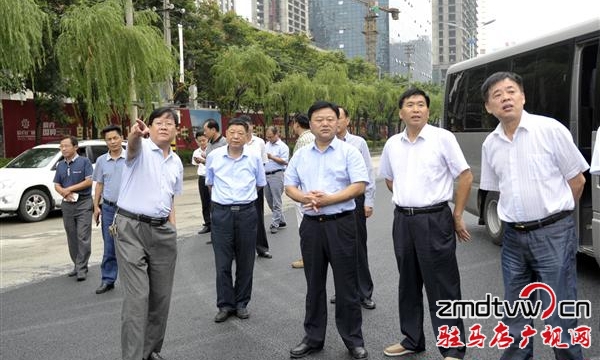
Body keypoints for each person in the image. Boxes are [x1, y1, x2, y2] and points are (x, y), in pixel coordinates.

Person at [479, 71, 588, 360]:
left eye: (511, 91)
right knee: (515, 311)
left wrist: (556, 216)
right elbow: (499, 189)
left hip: (553, 233)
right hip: (513, 237)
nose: (505, 98)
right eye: (497, 95)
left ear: (523, 96)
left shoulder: (549, 129)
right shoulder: (491, 143)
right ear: (489, 107)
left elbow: (577, 180)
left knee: (559, 313)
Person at [379, 88, 472, 360]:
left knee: (442, 285)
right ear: (401, 112)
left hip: (435, 219)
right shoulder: (392, 144)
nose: (416, 109)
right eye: (410, 104)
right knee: (407, 283)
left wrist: (457, 216)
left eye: (421, 104)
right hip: (403, 221)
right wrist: (407, 197)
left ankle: (453, 348)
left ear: (428, 111)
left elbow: (465, 176)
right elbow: (388, 178)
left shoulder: (442, 138)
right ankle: (412, 340)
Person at [285, 101, 369, 360]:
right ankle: (313, 338)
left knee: (347, 285)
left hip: (341, 224)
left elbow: (359, 186)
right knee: (314, 285)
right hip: (311, 227)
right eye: (319, 119)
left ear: (339, 122)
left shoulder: (349, 152)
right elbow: (290, 186)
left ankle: (353, 340)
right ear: (310, 124)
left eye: (330, 119)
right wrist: (305, 197)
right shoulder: (300, 154)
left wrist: (329, 199)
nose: (325, 123)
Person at [114, 107, 183, 360]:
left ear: (177, 130)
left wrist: (172, 228)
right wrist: (134, 135)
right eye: (158, 122)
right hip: (131, 228)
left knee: (161, 298)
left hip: (163, 231)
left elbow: (170, 198)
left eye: (169, 123)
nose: (164, 126)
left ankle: (150, 350)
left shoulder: (175, 161)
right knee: (137, 299)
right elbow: (131, 149)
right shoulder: (140, 150)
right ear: (150, 128)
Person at [205, 118, 267, 323]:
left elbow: (259, 184)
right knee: (222, 261)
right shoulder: (213, 156)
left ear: (247, 136)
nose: (235, 136)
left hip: (247, 213)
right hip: (221, 213)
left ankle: (241, 303)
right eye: (232, 132)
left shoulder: (254, 157)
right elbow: (210, 183)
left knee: (245, 260)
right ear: (226, 133)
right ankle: (225, 304)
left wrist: (242, 200)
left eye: (240, 133)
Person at [330, 106, 376, 310]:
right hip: (331, 203)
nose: (334, 122)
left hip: (355, 201)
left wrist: (369, 201)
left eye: (338, 118)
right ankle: (343, 291)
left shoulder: (359, 143)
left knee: (358, 248)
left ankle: (364, 292)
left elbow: (368, 173)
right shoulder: (324, 144)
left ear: (347, 120)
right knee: (336, 250)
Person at [53, 135, 93, 282]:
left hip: (83, 203)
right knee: (72, 236)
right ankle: (77, 264)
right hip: (67, 204)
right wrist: (62, 191)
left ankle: (82, 268)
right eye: (61, 146)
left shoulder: (84, 162)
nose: (63, 149)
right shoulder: (61, 165)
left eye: (66, 146)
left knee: (83, 236)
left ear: (75, 147)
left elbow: (89, 181)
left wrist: (69, 189)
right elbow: (56, 184)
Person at [92, 125, 125, 294]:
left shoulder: (132, 157)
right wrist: (96, 206)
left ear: (122, 138)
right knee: (109, 245)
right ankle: (108, 279)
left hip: (129, 210)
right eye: (109, 139)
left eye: (115, 138)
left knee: (131, 246)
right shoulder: (101, 161)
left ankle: (133, 281)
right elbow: (99, 184)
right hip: (109, 209)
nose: (112, 142)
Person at [240, 115, 272, 259]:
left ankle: (261, 248)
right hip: (239, 187)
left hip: (256, 186)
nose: (247, 128)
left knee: (258, 216)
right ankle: (239, 250)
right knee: (239, 217)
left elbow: (263, 164)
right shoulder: (236, 142)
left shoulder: (259, 142)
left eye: (249, 125)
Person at [290, 113, 315, 269]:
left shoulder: (304, 140)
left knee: (305, 225)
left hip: (304, 189)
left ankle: (307, 256)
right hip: (313, 187)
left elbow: (299, 167)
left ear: (296, 124)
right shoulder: (313, 137)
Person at [198, 118, 228, 236]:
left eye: (206, 130)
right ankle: (215, 233)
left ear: (213, 129)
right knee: (212, 207)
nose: (204, 133)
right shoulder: (209, 144)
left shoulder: (225, 143)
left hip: (222, 182)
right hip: (211, 181)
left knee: (222, 209)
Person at [264, 126, 289, 234]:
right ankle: (281, 219)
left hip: (277, 174)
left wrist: (272, 157)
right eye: (267, 137)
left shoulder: (283, 147)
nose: (269, 139)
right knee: (269, 200)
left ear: (276, 135)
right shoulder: (266, 145)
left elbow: (285, 161)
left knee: (276, 200)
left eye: (271, 137)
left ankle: (275, 223)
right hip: (266, 174)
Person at [191, 131, 210, 235]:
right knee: (204, 201)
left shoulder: (211, 150)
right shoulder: (196, 152)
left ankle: (215, 224)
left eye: (204, 140)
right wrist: (198, 161)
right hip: (202, 177)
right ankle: (207, 223)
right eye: (200, 141)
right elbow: (195, 164)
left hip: (211, 177)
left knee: (213, 202)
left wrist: (204, 160)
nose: (202, 143)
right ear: (197, 141)